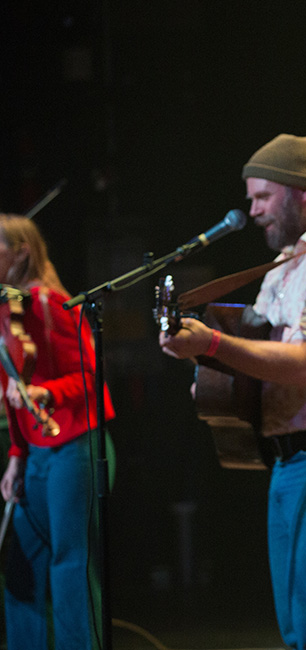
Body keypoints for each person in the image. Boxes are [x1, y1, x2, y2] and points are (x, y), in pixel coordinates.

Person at [159, 134, 306, 650]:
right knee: (298, 631)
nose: (253, 209)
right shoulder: (289, 263)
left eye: (262, 196)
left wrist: (214, 342)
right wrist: (204, 358)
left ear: (302, 190)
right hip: (290, 458)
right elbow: (256, 349)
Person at [0, 213, 116, 649]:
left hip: (75, 444)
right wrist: (16, 454)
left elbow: (90, 377)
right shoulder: (6, 307)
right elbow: (10, 385)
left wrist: (45, 393)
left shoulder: (49, 304)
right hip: (36, 453)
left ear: (20, 254)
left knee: (70, 565)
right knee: (21, 570)